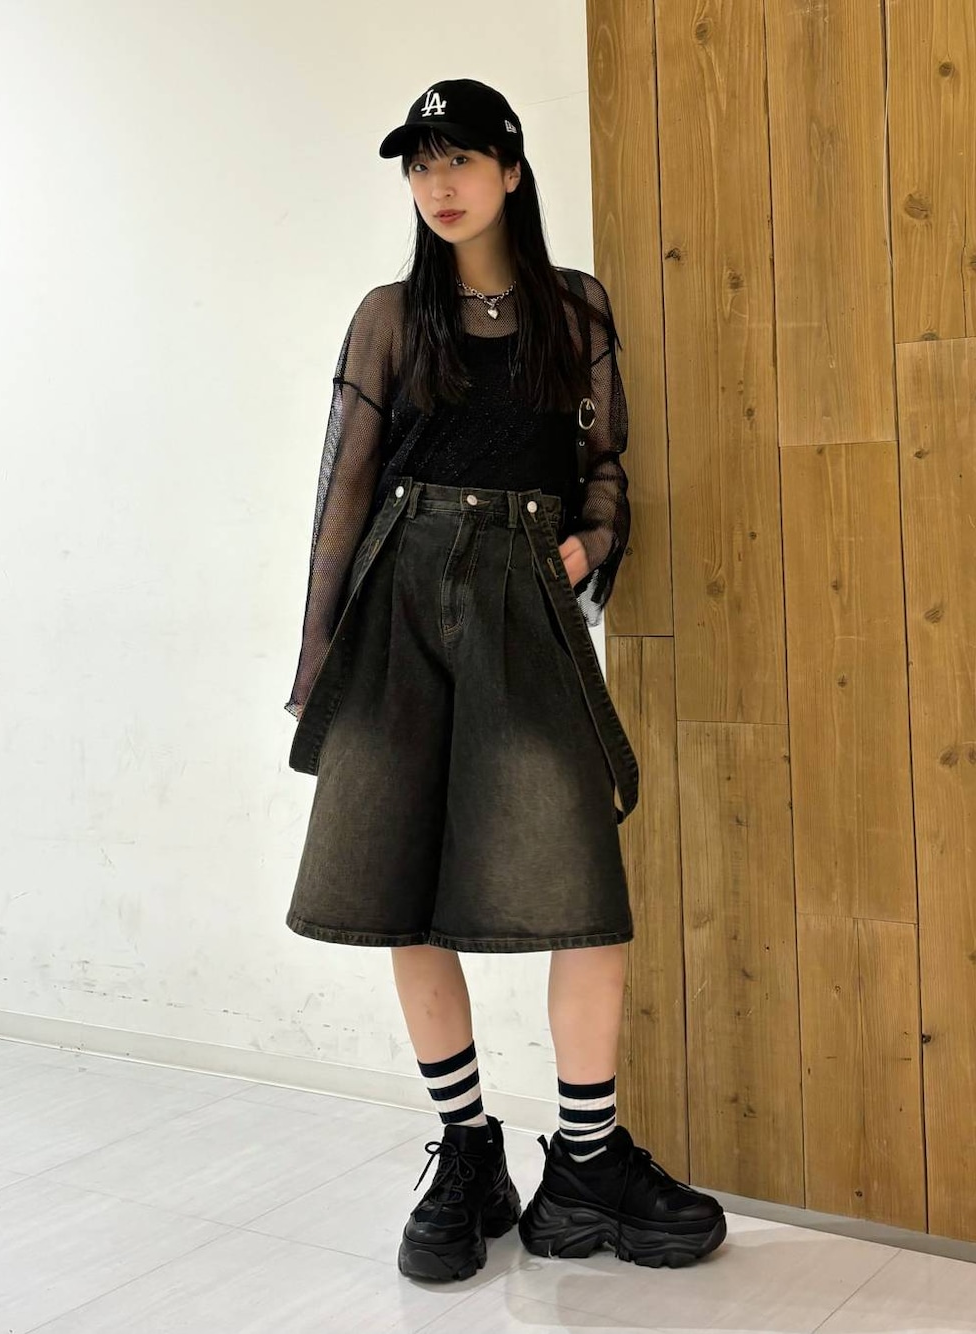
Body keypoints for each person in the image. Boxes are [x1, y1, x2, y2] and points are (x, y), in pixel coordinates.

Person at [283, 77, 727, 1283]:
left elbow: (606, 458)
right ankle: (467, 1148)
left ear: (511, 172)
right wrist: (317, 655)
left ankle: (584, 1161)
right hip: (399, 603)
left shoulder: (573, 307)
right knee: (398, 880)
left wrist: (591, 542)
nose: (437, 183)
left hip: (526, 601)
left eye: (461, 158)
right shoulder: (389, 315)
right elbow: (344, 488)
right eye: (419, 162)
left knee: (582, 882)